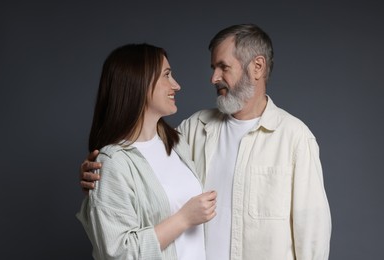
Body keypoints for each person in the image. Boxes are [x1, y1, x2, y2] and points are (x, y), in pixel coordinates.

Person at [80, 24, 332, 260]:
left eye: (223, 67)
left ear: (257, 67)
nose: (213, 78)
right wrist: (98, 176)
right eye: (213, 67)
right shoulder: (192, 129)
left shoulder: (295, 138)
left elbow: (312, 235)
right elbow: (142, 166)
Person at [76, 43, 217, 260]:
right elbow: (119, 253)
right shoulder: (113, 162)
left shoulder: (178, 144)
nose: (176, 85)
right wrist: (183, 219)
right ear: (139, 84)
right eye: (167, 75)